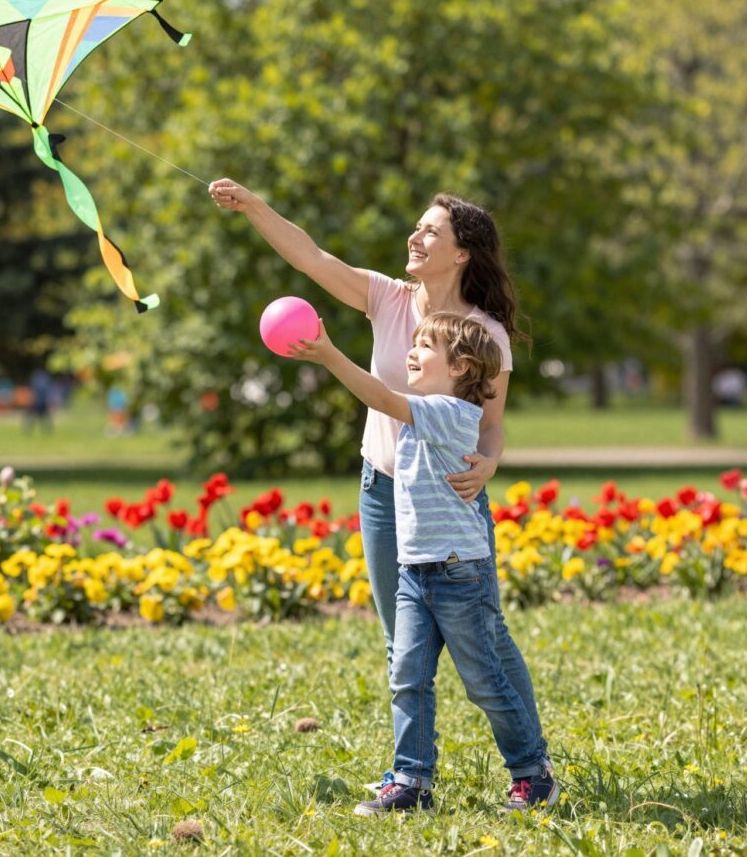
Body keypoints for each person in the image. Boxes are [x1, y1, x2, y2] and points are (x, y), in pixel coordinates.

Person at [209, 180, 545, 799]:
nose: (414, 238)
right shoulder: (388, 299)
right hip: (383, 490)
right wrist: (256, 207)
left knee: (485, 644)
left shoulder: (483, 334)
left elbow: (491, 428)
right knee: (403, 648)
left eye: (430, 232)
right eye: (416, 228)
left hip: (449, 501)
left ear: (462, 251)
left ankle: (529, 768)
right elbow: (312, 259)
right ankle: (413, 775)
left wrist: (489, 467)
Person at [290, 313, 556, 814]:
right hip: (416, 572)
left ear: (462, 367)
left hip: (460, 574)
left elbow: (380, 398)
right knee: (408, 675)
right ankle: (412, 782)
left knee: (485, 682)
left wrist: (327, 352)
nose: (411, 352)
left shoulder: (452, 412)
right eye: (413, 343)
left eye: (425, 346)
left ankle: (532, 772)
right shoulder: (426, 411)